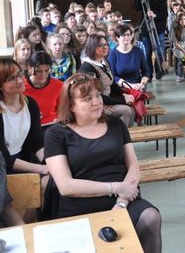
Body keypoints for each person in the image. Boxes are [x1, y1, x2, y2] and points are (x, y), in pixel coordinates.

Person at [44, 73, 162, 253]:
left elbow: (133, 166)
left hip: (122, 199)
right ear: (71, 105)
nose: (96, 102)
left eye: (98, 95)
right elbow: (66, 186)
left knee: (150, 217)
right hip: (79, 203)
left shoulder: (116, 124)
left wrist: (121, 201)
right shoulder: (56, 134)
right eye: (87, 99)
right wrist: (115, 188)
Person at [0, 59, 47, 176]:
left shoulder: (30, 104)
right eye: (11, 78)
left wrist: (50, 162)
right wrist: (42, 169)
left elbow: (37, 142)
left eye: (20, 74)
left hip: (23, 159)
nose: (20, 80)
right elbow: (4, 158)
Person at [79, 34, 135, 127]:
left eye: (106, 44)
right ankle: (118, 135)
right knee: (127, 111)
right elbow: (97, 95)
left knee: (132, 109)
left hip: (108, 99)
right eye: (100, 45)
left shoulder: (104, 61)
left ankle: (124, 135)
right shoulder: (88, 68)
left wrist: (124, 94)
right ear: (92, 47)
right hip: (96, 104)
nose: (105, 47)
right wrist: (122, 100)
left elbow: (112, 84)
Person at [134, 0, 168, 81]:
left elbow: (164, 14)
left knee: (160, 52)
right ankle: (148, 75)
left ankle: (159, 71)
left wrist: (154, 15)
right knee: (146, 53)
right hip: (146, 30)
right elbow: (136, 8)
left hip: (158, 30)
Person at [24, 52, 63, 129]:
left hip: (52, 126)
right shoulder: (21, 87)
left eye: (47, 70)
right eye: (39, 71)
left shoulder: (59, 86)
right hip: (28, 127)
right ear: (29, 69)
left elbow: (62, 112)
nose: (43, 75)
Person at [108, 24, 150, 90]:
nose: (127, 37)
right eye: (123, 35)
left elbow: (146, 72)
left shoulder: (138, 51)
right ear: (117, 38)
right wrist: (130, 86)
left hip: (138, 86)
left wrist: (142, 84)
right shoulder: (113, 54)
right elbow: (114, 77)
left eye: (128, 35)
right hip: (121, 88)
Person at [172, 12, 185, 82]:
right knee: (181, 59)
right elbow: (176, 44)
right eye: (181, 19)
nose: (183, 21)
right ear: (178, 21)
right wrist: (183, 50)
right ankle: (179, 75)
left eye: (184, 19)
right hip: (178, 48)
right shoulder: (175, 30)